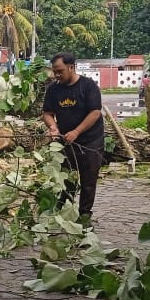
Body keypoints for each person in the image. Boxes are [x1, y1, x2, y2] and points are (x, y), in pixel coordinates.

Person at [42, 52, 105, 220]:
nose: (56, 75)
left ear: (71, 67)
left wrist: (77, 131)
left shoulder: (88, 86)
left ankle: (84, 216)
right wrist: (53, 127)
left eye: (60, 71)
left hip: (91, 141)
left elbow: (95, 112)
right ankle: (61, 213)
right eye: (55, 71)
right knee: (66, 178)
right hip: (66, 141)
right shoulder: (53, 89)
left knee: (88, 180)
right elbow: (47, 113)